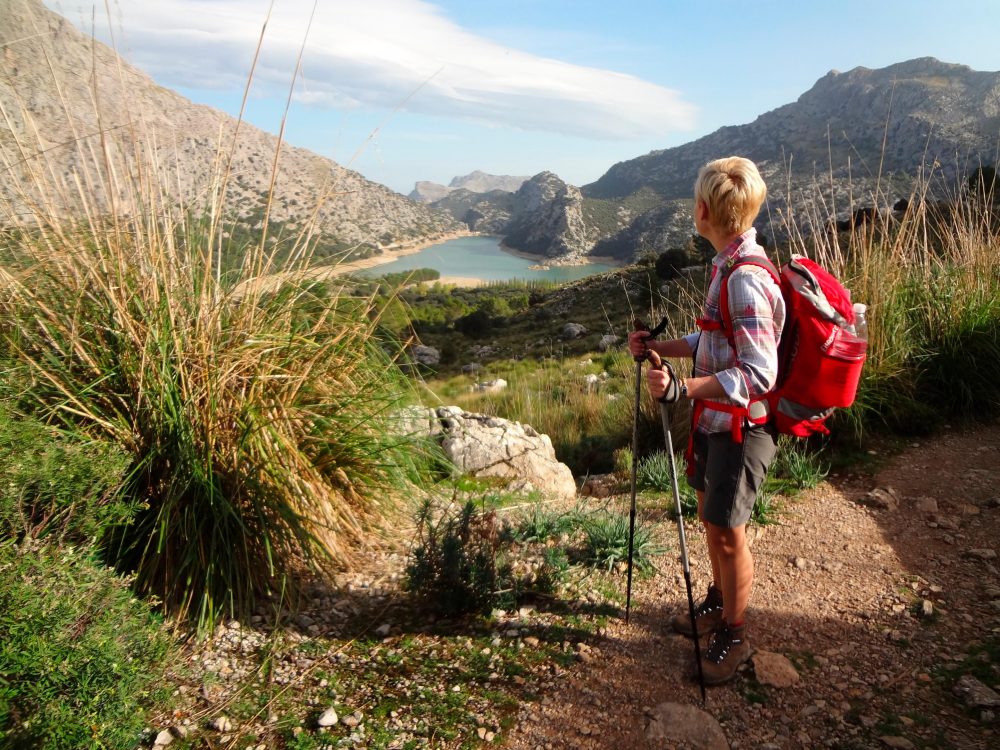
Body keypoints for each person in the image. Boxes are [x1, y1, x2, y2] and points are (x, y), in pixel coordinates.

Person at [628, 156, 785, 685]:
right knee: (711, 520)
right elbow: (713, 341)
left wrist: (683, 388)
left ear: (701, 211)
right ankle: (718, 604)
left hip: (743, 429)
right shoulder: (728, 264)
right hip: (716, 423)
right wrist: (661, 347)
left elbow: (760, 372)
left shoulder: (743, 278)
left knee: (727, 531)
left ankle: (735, 634)